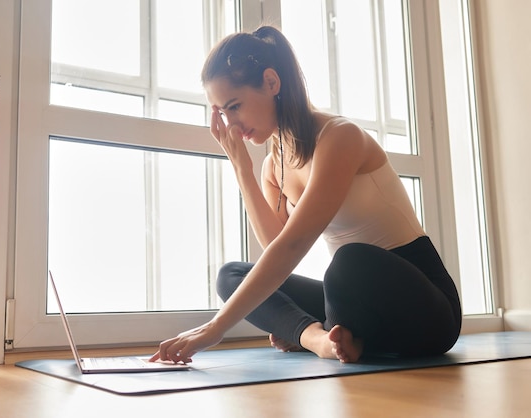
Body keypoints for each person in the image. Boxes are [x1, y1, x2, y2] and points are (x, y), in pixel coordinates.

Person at [149, 25, 461, 364]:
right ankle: (320, 339)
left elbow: (294, 246)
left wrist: (215, 327)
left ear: (271, 82)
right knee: (232, 276)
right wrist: (242, 169)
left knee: (348, 262)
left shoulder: (340, 137)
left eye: (235, 106)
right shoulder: (273, 166)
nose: (232, 126)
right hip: (350, 302)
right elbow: (274, 249)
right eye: (223, 114)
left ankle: (327, 333)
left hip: (426, 308)